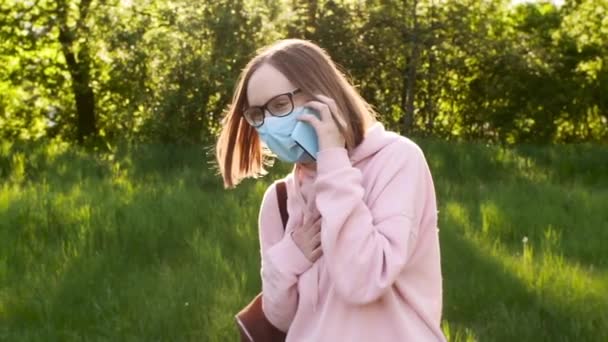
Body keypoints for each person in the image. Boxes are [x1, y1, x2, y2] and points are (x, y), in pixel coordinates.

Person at [216, 39, 446, 341]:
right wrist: (288, 258)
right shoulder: (280, 200)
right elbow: (281, 319)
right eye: (258, 114)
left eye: (280, 105)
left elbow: (362, 281)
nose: (269, 124)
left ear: (322, 95)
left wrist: (333, 159)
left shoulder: (397, 160)